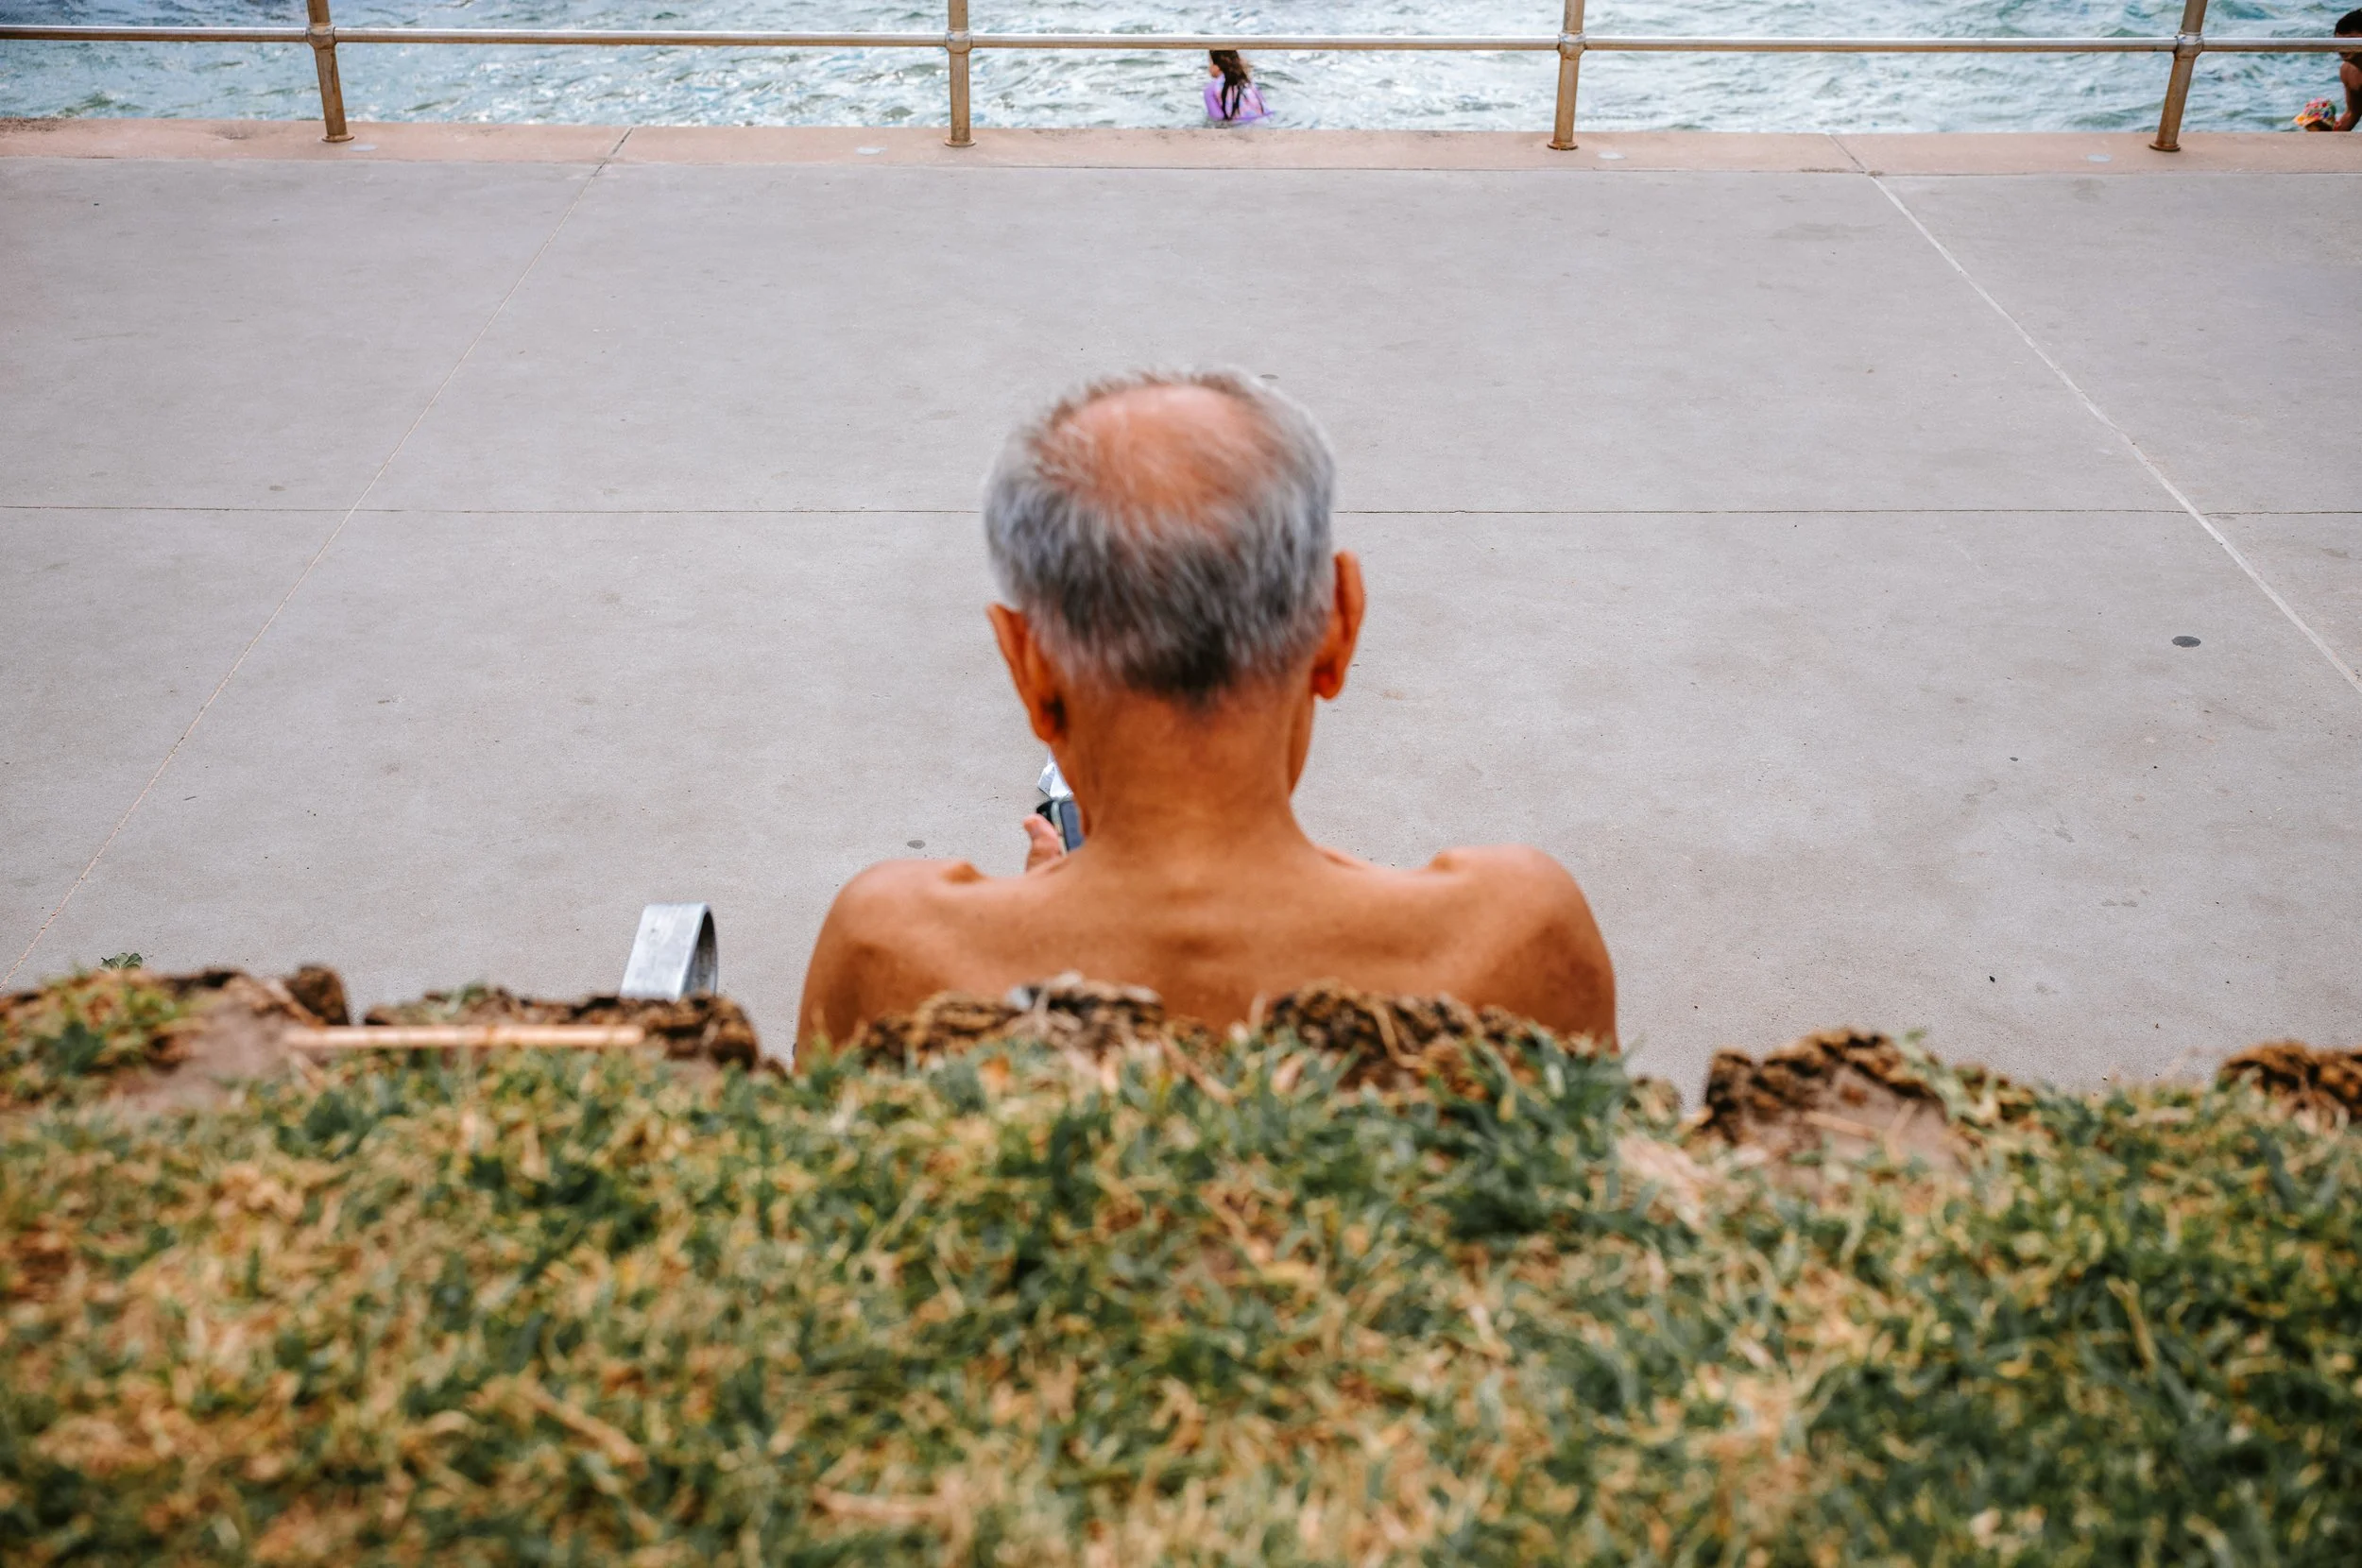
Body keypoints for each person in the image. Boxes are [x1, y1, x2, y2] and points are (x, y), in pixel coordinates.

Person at [797, 370, 1616, 1050]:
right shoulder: (1515, 940)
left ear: (1028, 670)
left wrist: (1055, 914)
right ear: (1338, 628)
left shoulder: (891, 948)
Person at [2302, 9, 2362, 130]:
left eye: (2351, 40)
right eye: (2339, 41)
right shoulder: (2348, 71)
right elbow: (2352, 113)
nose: (2343, 47)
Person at [1204, 49, 1271, 127]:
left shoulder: (1210, 89)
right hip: (1265, 122)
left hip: (1240, 127)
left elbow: (1217, 118)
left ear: (1216, 67)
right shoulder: (1248, 82)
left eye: (1210, 63)